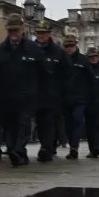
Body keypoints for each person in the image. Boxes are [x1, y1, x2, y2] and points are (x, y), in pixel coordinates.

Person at [0, 14, 44, 167]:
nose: (13, 34)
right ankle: (14, 150)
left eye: (16, 30)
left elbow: (43, 72)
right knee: (10, 126)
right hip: (7, 96)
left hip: (27, 96)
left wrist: (39, 92)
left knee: (24, 125)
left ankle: (19, 151)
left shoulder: (33, 48)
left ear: (22, 30)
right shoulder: (1, 50)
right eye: (10, 31)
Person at [32, 21, 69, 162]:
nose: (41, 36)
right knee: (40, 123)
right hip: (35, 93)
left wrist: (62, 91)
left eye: (44, 33)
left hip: (53, 94)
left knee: (50, 122)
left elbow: (67, 73)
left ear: (49, 34)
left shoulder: (58, 52)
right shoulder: (31, 49)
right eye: (39, 33)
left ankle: (46, 148)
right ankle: (46, 145)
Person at [60, 35, 93, 160]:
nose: (69, 48)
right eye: (66, 46)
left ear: (76, 45)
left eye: (71, 46)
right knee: (68, 125)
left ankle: (74, 146)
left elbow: (91, 79)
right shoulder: (61, 60)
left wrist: (89, 96)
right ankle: (72, 145)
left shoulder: (83, 60)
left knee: (78, 120)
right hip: (65, 98)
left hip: (80, 98)